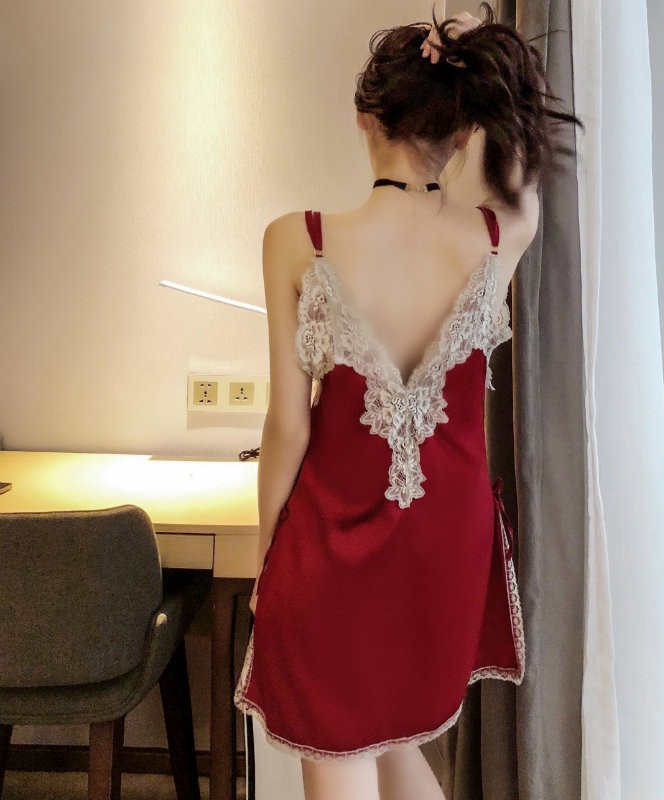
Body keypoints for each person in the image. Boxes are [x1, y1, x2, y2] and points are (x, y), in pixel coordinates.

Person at [234, 5, 581, 799]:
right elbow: (527, 161)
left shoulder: (297, 238)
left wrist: (265, 555)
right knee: (388, 742)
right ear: (462, 134)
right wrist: (480, 54)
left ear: (365, 118)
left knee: (343, 739)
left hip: (332, 535)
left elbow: (287, 427)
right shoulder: (499, 235)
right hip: (446, 543)